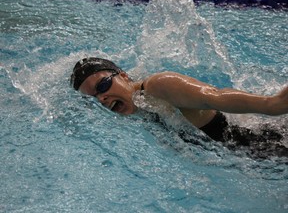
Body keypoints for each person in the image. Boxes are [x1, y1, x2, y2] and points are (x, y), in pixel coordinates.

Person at [70, 57, 288, 157]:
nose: (103, 99)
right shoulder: (140, 107)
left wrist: (273, 105)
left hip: (269, 143)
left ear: (124, 76)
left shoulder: (158, 86)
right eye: (94, 97)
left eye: (104, 85)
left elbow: (215, 96)